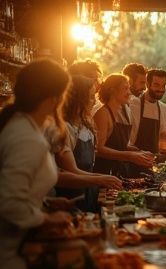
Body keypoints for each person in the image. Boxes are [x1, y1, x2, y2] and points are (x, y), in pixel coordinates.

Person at [0, 59, 72, 268]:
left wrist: (45, 204)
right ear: (53, 98)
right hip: (10, 253)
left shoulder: (21, 125)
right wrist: (47, 219)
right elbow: (8, 202)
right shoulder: (27, 138)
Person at [56, 75, 122, 212]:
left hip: (88, 193)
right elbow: (72, 171)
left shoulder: (86, 125)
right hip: (70, 198)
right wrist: (101, 179)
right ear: (78, 99)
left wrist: (106, 179)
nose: (94, 101)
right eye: (91, 96)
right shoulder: (65, 129)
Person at [93, 73, 154, 177]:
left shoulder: (124, 112)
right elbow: (99, 149)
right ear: (112, 90)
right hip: (103, 173)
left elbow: (119, 144)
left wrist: (139, 152)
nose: (129, 93)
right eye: (125, 88)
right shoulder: (103, 113)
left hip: (119, 172)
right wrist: (130, 156)